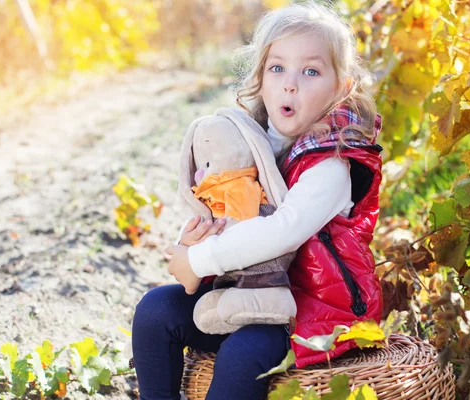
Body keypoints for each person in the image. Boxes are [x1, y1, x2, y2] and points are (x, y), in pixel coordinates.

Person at [131, 2, 384, 399]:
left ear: (340, 88)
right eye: (277, 68)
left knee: (243, 353)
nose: (290, 84)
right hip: (244, 294)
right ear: (261, 78)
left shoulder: (332, 163)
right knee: (156, 310)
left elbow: (282, 232)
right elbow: (218, 201)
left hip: (306, 312)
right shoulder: (252, 144)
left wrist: (199, 261)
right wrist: (190, 243)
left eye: (311, 71)